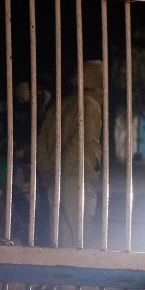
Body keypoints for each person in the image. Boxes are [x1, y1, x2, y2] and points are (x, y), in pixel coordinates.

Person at [37, 61, 104, 251]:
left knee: (58, 233)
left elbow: (42, 141)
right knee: (78, 235)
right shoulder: (90, 106)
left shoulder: (59, 105)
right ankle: (75, 279)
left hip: (53, 178)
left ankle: (59, 277)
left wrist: (47, 169)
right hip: (76, 176)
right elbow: (80, 143)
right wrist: (61, 170)